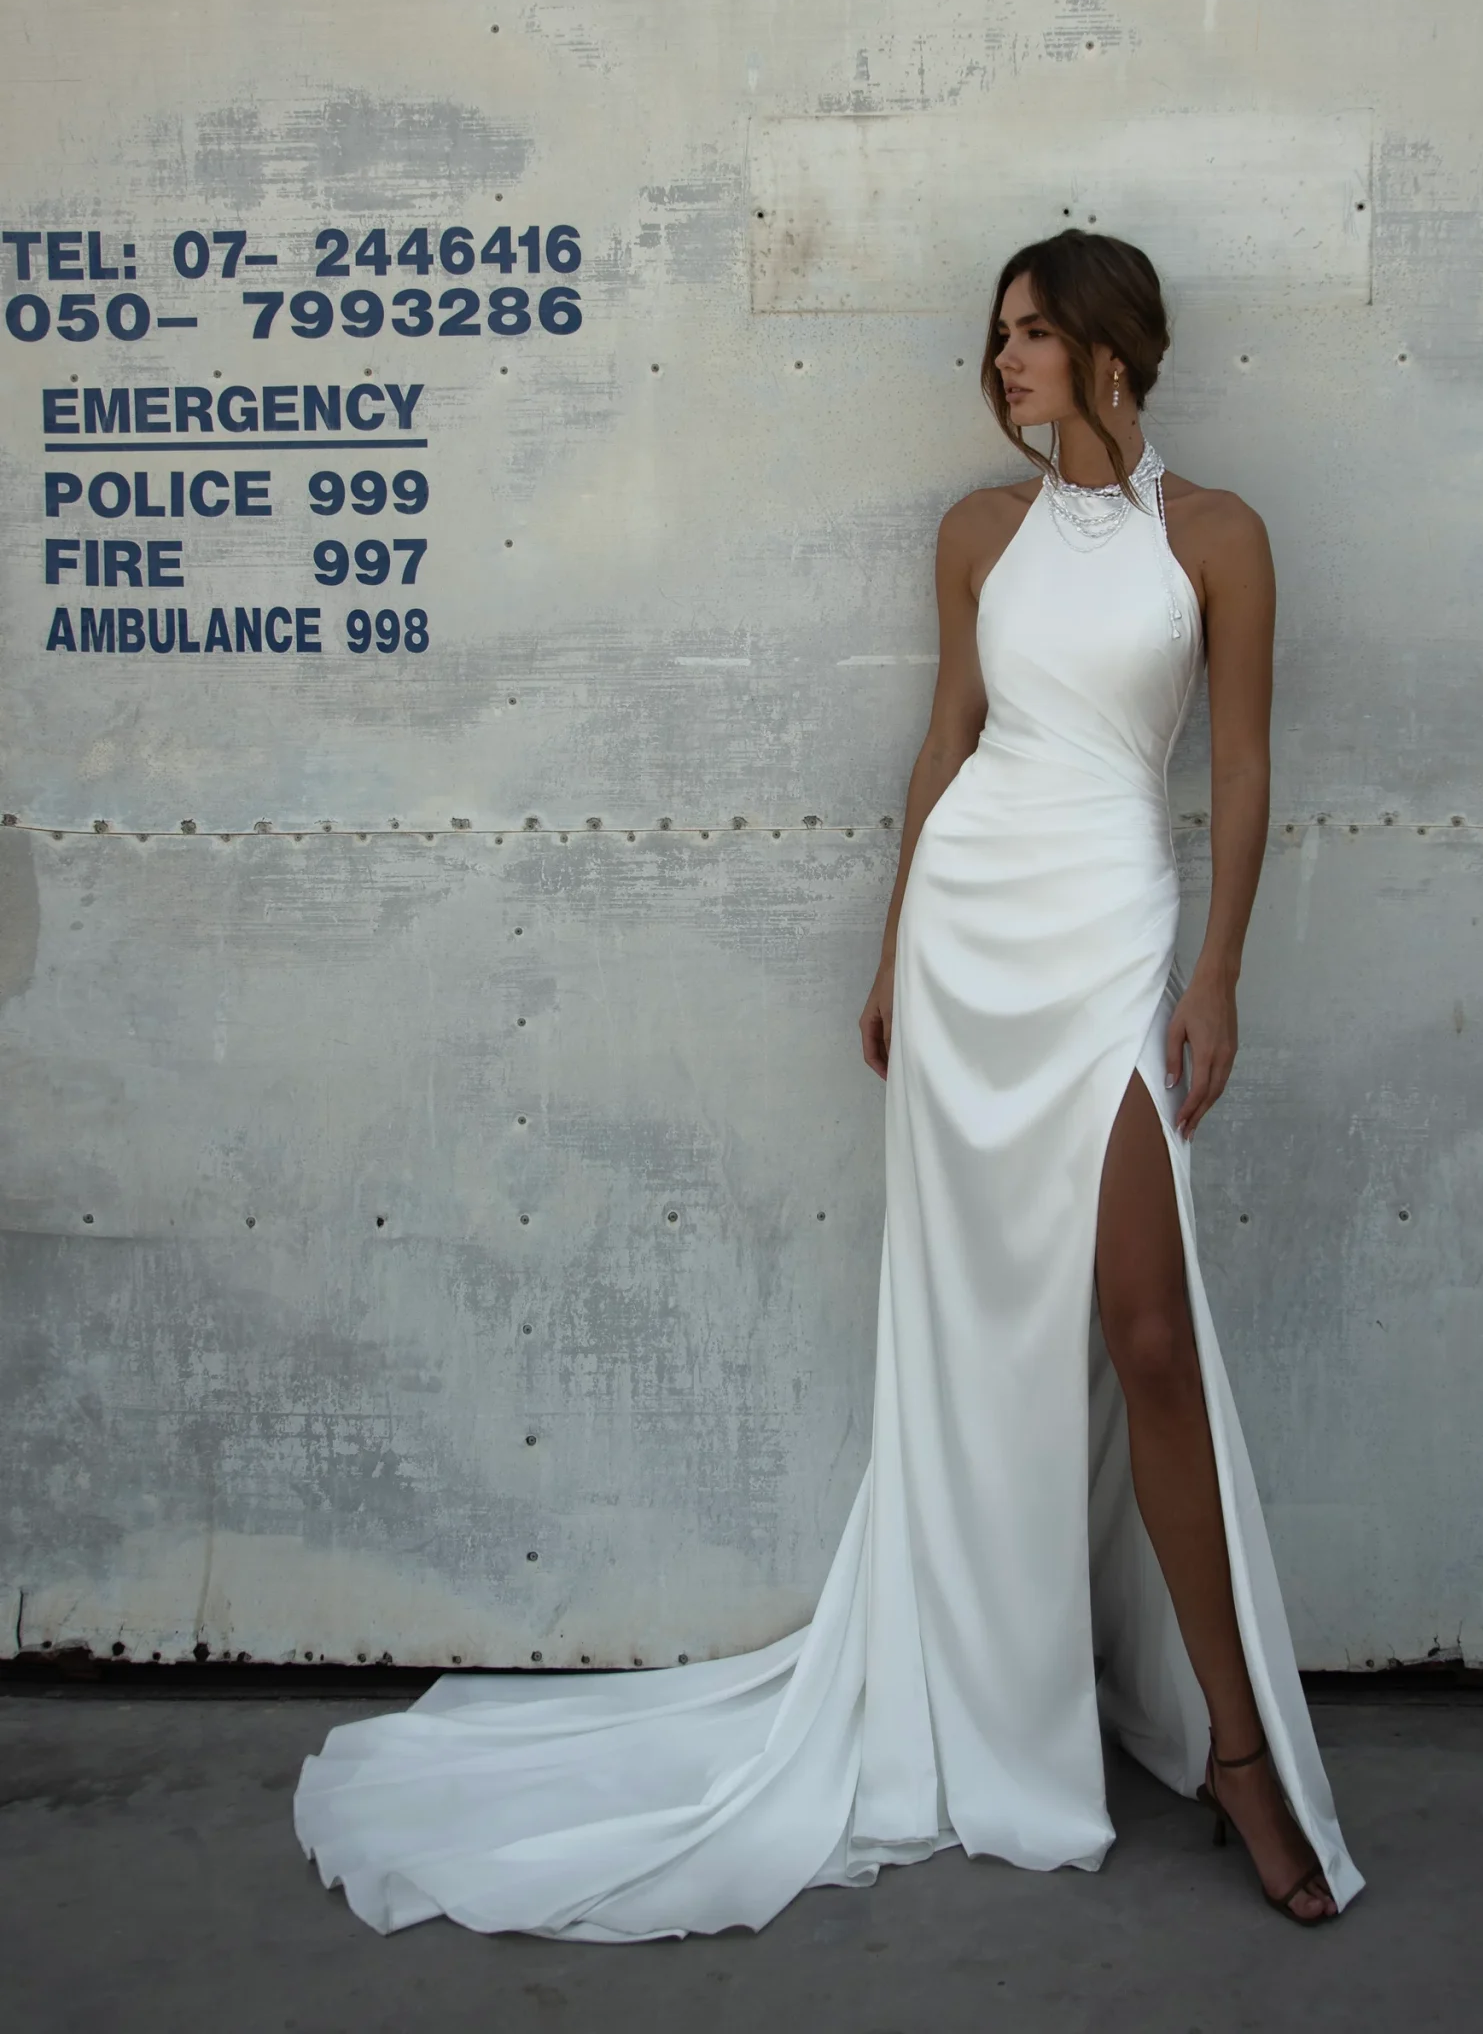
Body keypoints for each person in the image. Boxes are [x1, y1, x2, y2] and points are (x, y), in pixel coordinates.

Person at [295, 229, 1362, 1938]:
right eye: (995, 334)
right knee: (989, 1340)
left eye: (1027, 333)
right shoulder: (976, 535)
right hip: (968, 937)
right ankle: (1007, 1697)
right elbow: (945, 741)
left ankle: (1239, 1751)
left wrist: (1215, 972)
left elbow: (1237, 770)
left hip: (1107, 934)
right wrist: (888, 950)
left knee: (1146, 1338)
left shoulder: (1220, 538)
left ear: (1109, 347)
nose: (999, 360)